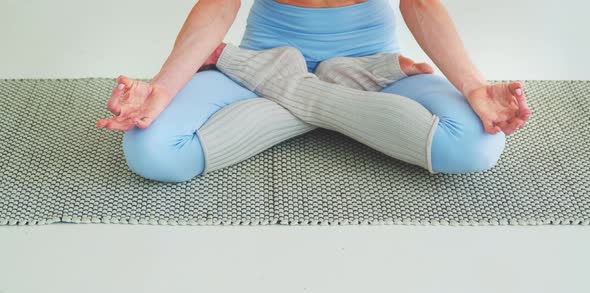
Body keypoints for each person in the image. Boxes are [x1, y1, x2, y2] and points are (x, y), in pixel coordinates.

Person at [96, 0, 532, 183]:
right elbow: (218, 5)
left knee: (476, 149)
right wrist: (161, 89)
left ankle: (288, 83)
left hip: (370, 68)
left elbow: (420, 4)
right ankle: (323, 91)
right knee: (151, 151)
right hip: (265, 55)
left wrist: (474, 87)